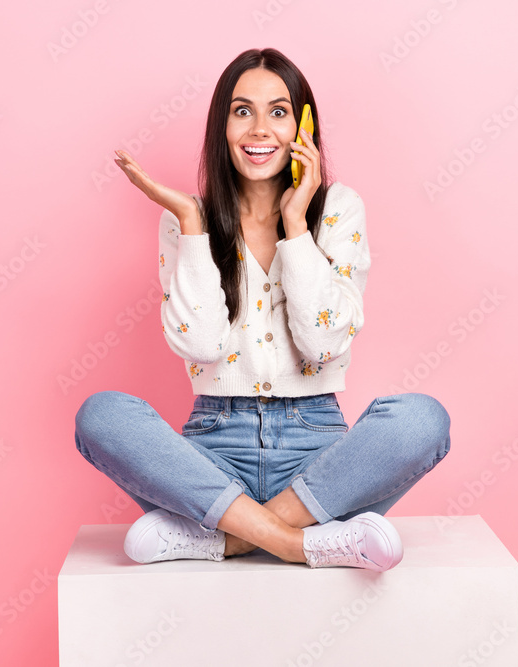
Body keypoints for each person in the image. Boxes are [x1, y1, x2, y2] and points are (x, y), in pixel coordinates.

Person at [74, 47, 451, 571]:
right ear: (221, 125)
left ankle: (226, 539)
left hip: (316, 453)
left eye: (278, 111)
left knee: (421, 420)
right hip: (212, 451)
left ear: (303, 125)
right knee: (101, 416)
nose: (259, 129)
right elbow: (202, 344)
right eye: (241, 110)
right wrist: (190, 219)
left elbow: (322, 346)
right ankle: (303, 544)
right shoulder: (187, 221)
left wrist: (297, 225)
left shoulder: (338, 208)